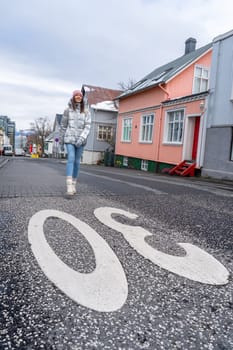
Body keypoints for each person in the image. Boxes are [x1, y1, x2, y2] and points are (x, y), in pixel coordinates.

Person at [59, 89, 91, 196]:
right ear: (73, 97)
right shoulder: (67, 110)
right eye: (76, 95)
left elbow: (87, 126)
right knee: (71, 158)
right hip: (69, 138)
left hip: (81, 140)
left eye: (80, 95)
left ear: (82, 98)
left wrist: (82, 138)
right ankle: (68, 185)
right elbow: (63, 126)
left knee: (77, 162)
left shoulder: (86, 111)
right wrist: (61, 141)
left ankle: (73, 183)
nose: (78, 97)